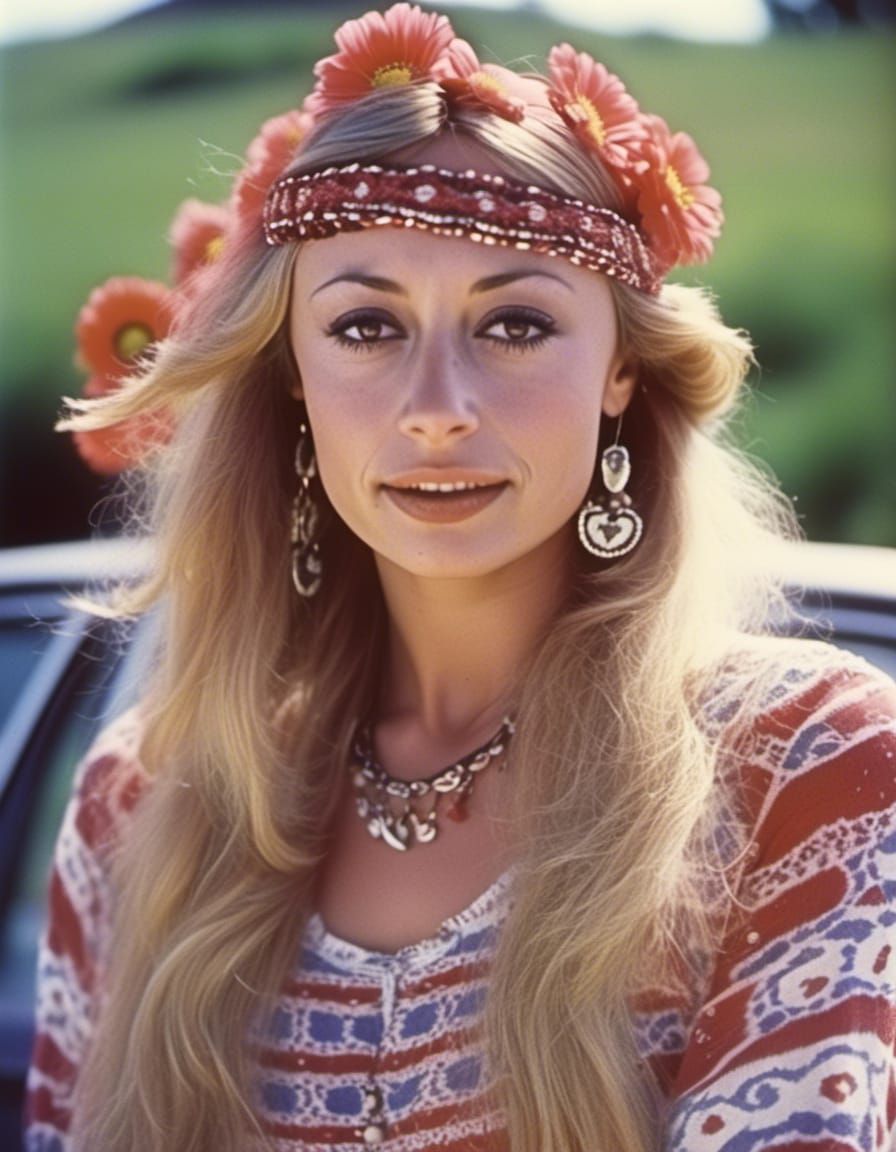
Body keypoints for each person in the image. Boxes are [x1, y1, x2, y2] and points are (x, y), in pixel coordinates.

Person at [24, 5, 896, 1151]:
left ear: (620, 371)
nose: (438, 408)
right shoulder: (142, 799)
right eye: (366, 328)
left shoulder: (806, 761)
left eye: (518, 324)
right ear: (290, 374)